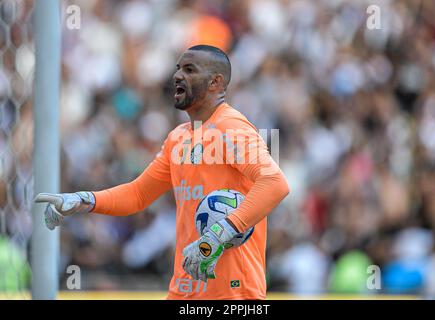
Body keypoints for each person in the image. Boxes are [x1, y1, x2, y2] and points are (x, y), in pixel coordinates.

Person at [35, 44, 289, 300]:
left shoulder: (231, 127)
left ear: (215, 82)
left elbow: (275, 183)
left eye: (189, 70)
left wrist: (218, 234)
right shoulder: (178, 138)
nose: (177, 76)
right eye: (178, 69)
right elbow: (138, 194)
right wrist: (84, 200)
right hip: (185, 288)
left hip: (233, 294)